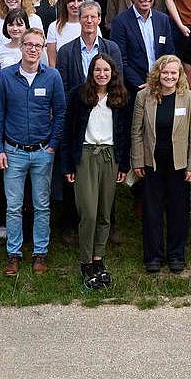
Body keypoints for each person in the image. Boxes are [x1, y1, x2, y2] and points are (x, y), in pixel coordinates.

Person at [0, 29, 66, 276]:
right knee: (13, 206)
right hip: (13, 151)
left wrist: (53, 143)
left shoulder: (52, 77)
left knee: (41, 205)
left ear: (43, 49)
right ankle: (14, 254)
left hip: (43, 151)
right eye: (29, 45)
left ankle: (40, 253)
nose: (33, 49)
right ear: (20, 47)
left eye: (38, 46)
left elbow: (60, 113)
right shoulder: (5, 77)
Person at [59, 51, 130, 287]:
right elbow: (68, 132)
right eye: (97, 70)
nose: (101, 74)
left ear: (113, 74)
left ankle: (98, 258)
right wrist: (68, 164)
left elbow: (125, 134)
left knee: (104, 212)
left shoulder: (120, 97)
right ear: (91, 72)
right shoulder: (79, 96)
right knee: (88, 212)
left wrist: (124, 164)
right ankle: (85, 261)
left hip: (110, 156)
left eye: (106, 70)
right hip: (86, 155)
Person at [129, 55, 191, 273]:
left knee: (178, 211)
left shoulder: (190, 98)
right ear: (157, 74)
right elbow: (136, 131)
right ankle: (153, 256)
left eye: (174, 73)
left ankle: (176, 255)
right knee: (152, 211)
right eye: (165, 72)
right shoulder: (144, 96)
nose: (169, 76)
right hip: (152, 164)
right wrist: (137, 160)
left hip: (179, 165)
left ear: (179, 75)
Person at [108, 0, 179, 90]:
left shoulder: (163, 20)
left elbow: (169, 54)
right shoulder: (120, 22)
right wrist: (140, 85)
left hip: (161, 85)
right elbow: (120, 60)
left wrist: (162, 80)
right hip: (134, 88)